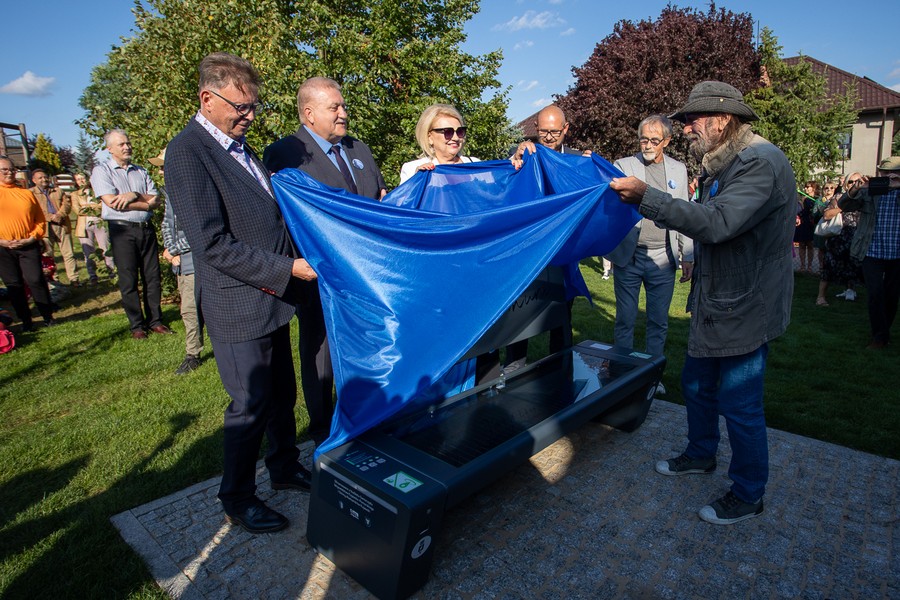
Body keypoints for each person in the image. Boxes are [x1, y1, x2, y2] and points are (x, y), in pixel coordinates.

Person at [610, 81, 796, 525]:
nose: (687, 127)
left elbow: (718, 222)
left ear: (722, 119)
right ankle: (700, 454)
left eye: (693, 119)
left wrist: (648, 198)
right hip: (719, 302)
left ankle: (749, 493)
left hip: (746, 307)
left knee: (741, 403)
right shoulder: (729, 161)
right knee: (696, 384)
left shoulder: (760, 163)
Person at [167, 52, 316, 534]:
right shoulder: (189, 151)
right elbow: (210, 244)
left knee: (281, 395)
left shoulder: (238, 144)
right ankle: (237, 497)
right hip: (238, 303)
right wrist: (288, 266)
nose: (250, 116)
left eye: (254, 107)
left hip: (270, 298)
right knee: (249, 406)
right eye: (241, 107)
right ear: (207, 99)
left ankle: (284, 465)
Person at [263, 76, 386, 447]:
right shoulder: (285, 153)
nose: (343, 114)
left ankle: (368, 414)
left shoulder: (358, 148)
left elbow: (376, 197)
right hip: (320, 274)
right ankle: (322, 428)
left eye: (343, 106)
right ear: (309, 113)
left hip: (366, 270)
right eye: (335, 108)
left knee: (368, 343)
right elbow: (283, 217)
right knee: (321, 351)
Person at [605, 115, 693, 396]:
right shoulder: (624, 165)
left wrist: (687, 254)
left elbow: (684, 212)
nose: (648, 144)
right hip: (629, 254)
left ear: (666, 141)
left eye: (654, 140)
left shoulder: (678, 170)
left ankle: (652, 377)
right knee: (625, 318)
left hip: (663, 258)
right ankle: (621, 374)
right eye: (643, 138)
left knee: (658, 321)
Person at [91, 129, 172, 339]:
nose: (127, 147)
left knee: (152, 277)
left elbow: (155, 200)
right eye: (121, 145)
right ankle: (137, 325)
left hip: (145, 230)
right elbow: (112, 202)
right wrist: (143, 204)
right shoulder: (102, 171)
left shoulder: (141, 171)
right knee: (128, 279)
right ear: (109, 149)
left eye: (128, 143)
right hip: (121, 231)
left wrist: (132, 195)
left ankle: (155, 320)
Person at [838, 157, 900, 349]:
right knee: (875, 294)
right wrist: (856, 189)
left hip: (896, 252)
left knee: (891, 295)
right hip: (871, 250)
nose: (889, 176)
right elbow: (844, 205)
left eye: (895, 173)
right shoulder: (872, 191)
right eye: (885, 173)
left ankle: (883, 333)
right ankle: (879, 337)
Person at [155, 147, 204, 375]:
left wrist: (177, 250)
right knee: (188, 308)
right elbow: (167, 224)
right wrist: (170, 250)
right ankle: (193, 351)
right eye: (160, 167)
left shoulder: (189, 190)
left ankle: (193, 354)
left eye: (165, 166)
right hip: (180, 259)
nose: (162, 171)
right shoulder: (170, 194)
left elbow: (197, 229)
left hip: (193, 257)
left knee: (192, 307)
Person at [0, 156, 56, 330]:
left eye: (12, 169)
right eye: (5, 170)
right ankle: (26, 321)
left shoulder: (26, 194)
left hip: (28, 244)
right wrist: (2, 241)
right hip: (3, 247)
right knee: (14, 285)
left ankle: (48, 316)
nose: (10, 173)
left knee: (36, 280)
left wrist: (32, 237)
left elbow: (39, 220)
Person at [399, 104, 479, 183]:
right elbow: (404, 195)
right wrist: (417, 180)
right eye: (448, 132)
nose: (456, 138)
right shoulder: (411, 169)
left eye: (460, 131)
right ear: (429, 137)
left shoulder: (477, 165)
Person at [816, 174, 863, 306]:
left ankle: (850, 290)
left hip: (857, 239)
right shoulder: (838, 198)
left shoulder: (864, 199)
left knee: (853, 267)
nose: (854, 184)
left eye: (858, 181)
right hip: (838, 240)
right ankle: (821, 297)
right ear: (846, 184)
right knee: (829, 269)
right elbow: (826, 214)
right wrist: (843, 207)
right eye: (851, 182)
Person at [30, 169, 79, 286]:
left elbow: (67, 204)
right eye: (40, 178)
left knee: (69, 253)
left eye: (45, 177)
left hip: (61, 225)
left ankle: (74, 279)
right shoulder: (30, 193)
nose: (44, 179)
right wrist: (49, 217)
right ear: (34, 180)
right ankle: (54, 279)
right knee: (48, 255)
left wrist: (59, 215)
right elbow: (32, 210)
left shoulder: (58, 191)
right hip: (45, 228)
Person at [70, 172, 115, 284]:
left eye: (83, 178)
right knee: (88, 252)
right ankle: (92, 276)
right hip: (84, 225)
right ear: (75, 182)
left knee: (105, 248)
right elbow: (77, 210)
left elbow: (102, 206)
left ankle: (112, 272)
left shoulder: (96, 192)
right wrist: (93, 207)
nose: (81, 181)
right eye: (78, 179)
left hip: (99, 223)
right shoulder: (75, 194)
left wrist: (86, 207)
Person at [795, 181, 818, 273]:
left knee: (810, 245)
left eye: (808, 187)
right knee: (802, 244)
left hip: (811, 224)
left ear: (813, 188)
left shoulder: (816, 199)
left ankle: (810, 266)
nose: (806, 189)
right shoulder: (802, 198)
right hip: (802, 222)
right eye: (805, 187)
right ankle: (802, 266)